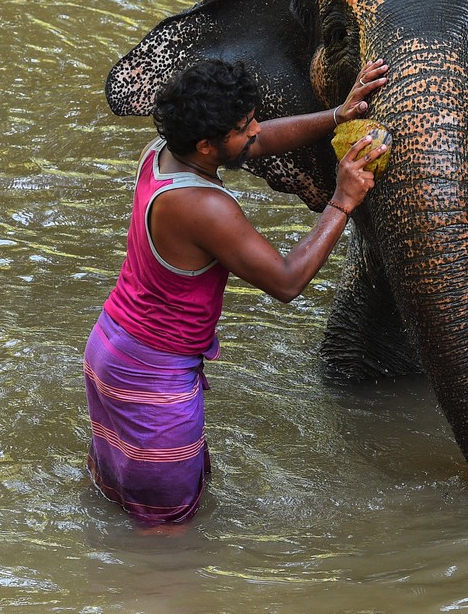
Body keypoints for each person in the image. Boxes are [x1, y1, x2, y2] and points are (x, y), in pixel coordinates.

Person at [83, 57, 389, 526]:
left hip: (114, 349)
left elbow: (260, 140)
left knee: (121, 507)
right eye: (244, 127)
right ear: (208, 145)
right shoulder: (205, 207)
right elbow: (287, 280)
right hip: (153, 379)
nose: (255, 132)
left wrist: (337, 117)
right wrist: (342, 200)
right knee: (166, 537)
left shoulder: (163, 151)